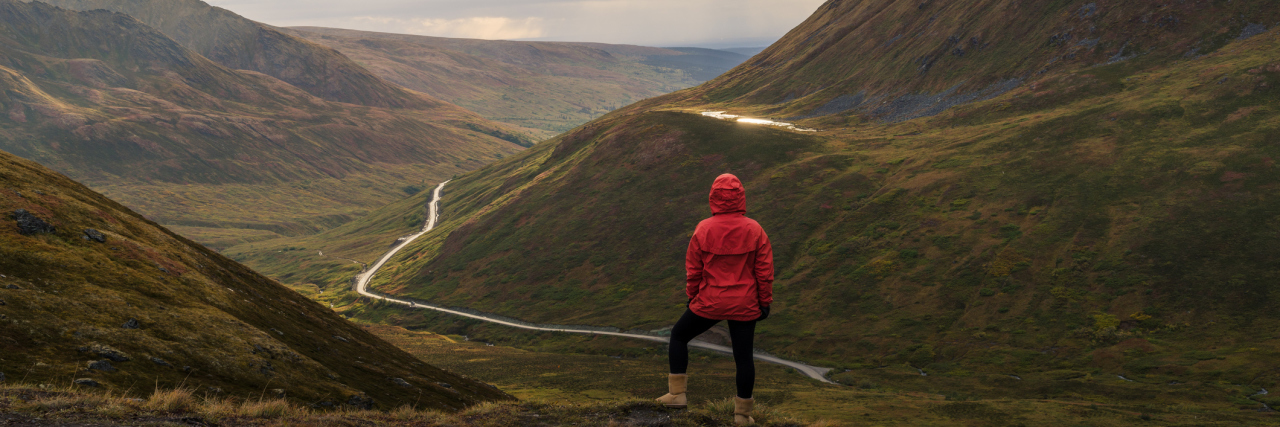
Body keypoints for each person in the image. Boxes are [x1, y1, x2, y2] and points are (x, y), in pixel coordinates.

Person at [656, 173, 774, 425]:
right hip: (745, 303)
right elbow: (764, 272)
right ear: (741, 196)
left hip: (710, 300)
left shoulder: (703, 228)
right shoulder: (755, 229)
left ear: (713, 197)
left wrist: (692, 297)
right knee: (744, 358)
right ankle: (742, 415)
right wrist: (764, 302)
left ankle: (677, 395)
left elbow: (693, 270)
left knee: (678, 335)